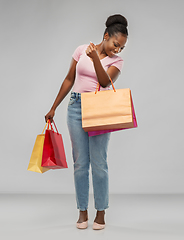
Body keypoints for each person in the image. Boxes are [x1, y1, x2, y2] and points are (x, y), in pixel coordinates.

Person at [45, 14, 128, 230]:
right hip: (75, 107)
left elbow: (103, 81)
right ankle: (82, 211)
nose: (117, 50)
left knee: (99, 163)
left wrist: (95, 59)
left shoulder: (116, 62)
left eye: (121, 48)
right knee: (80, 163)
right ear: (106, 36)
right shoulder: (82, 50)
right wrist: (53, 107)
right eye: (115, 44)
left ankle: (101, 212)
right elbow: (69, 79)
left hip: (99, 109)